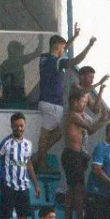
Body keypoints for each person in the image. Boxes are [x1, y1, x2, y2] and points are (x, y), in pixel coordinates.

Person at [34, 25, 95, 171]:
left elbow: (61, 47)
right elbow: (76, 60)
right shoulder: (58, 61)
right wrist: (89, 46)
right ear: (58, 48)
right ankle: (39, 161)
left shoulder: (44, 58)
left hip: (45, 101)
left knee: (57, 132)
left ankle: (38, 156)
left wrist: (74, 37)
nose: (64, 51)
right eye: (63, 49)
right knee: (46, 134)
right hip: (52, 102)